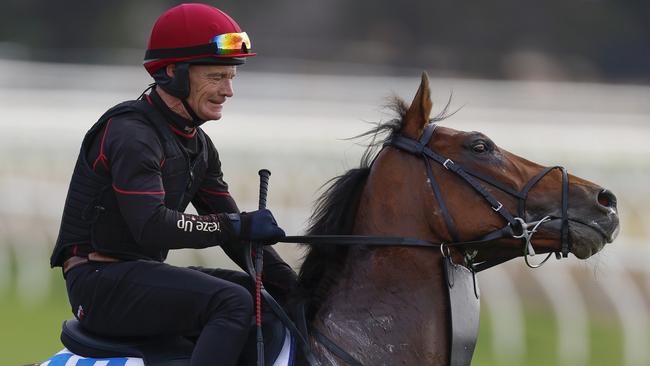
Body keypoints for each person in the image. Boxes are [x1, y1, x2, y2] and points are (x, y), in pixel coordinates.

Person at [49, 3, 297, 365]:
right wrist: (238, 224)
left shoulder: (197, 144)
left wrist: (295, 286)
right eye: (216, 77)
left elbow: (233, 233)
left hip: (138, 275)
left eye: (231, 77)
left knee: (263, 295)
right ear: (173, 74)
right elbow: (152, 226)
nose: (228, 91)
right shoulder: (133, 135)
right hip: (97, 284)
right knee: (232, 302)